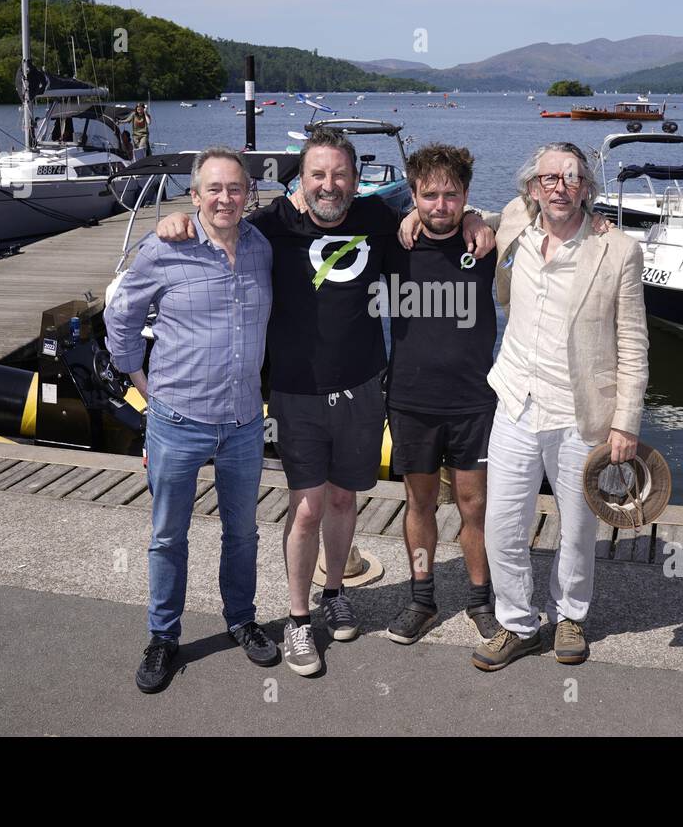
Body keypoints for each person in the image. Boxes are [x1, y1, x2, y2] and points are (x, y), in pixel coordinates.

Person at [154, 131, 494, 676]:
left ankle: (334, 591)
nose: (328, 185)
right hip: (296, 390)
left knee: (342, 502)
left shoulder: (379, 219)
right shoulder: (270, 228)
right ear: (300, 181)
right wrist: (177, 221)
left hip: (362, 387)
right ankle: (295, 619)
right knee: (306, 507)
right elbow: (217, 221)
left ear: (356, 182)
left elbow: (440, 203)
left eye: (339, 175)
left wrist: (475, 218)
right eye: (317, 175)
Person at [105, 147, 277, 693]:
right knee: (166, 535)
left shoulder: (261, 249)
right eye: (214, 189)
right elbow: (122, 314)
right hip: (177, 419)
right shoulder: (164, 247)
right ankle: (163, 636)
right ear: (196, 195)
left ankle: (242, 620)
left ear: (247, 194)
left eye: (235, 188)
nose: (225, 198)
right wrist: (139, 381)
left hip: (245, 421)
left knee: (243, 533)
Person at [472, 142, 649, 672]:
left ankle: (569, 615)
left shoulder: (618, 250)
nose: (559, 187)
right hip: (515, 403)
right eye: (548, 178)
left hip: (580, 414)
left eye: (571, 178)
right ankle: (519, 625)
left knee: (577, 526)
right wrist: (417, 214)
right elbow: (467, 216)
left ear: (586, 188)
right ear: (532, 188)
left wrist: (626, 422)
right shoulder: (514, 223)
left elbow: (634, 343)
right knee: (502, 523)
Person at [377, 145, 500, 644]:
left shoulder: (487, 245)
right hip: (410, 399)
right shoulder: (393, 245)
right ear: (413, 195)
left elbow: (536, 210)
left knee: (475, 507)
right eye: (429, 195)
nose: (441, 205)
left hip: (474, 400)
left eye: (453, 196)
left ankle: (479, 599)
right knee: (419, 503)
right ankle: (422, 599)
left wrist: (478, 218)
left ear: (466, 195)